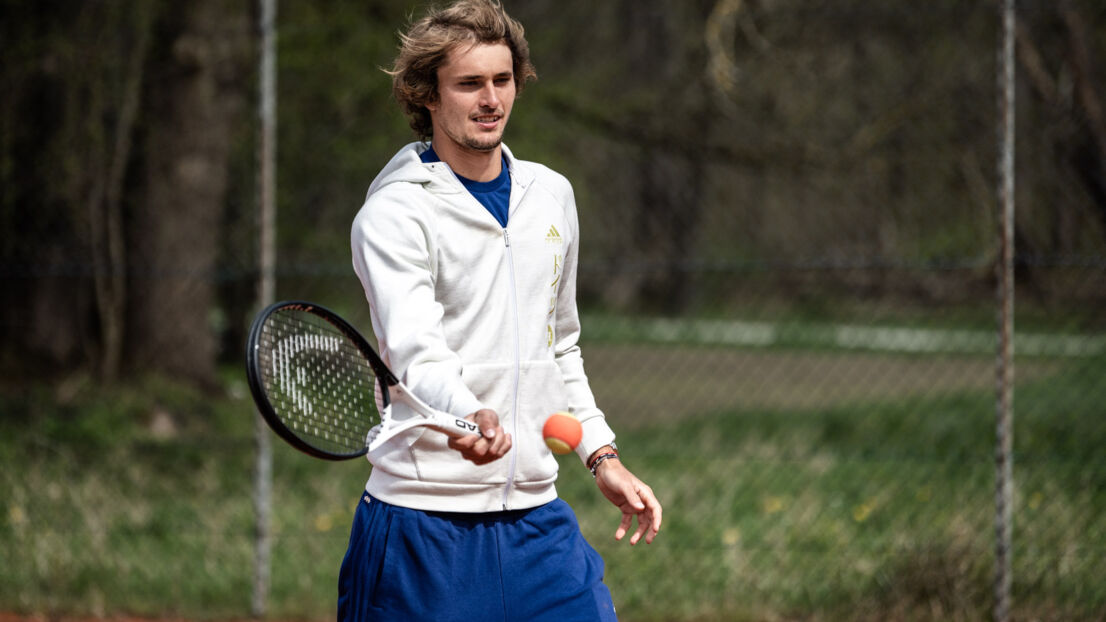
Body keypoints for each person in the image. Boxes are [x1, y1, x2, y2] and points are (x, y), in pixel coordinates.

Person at [341, 1, 662, 620]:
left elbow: (559, 344)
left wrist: (602, 455)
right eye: (468, 84)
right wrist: (469, 418)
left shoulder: (553, 196)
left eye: (502, 80)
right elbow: (414, 351)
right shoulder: (394, 214)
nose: (490, 100)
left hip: (540, 526)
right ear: (426, 95)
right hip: (422, 529)